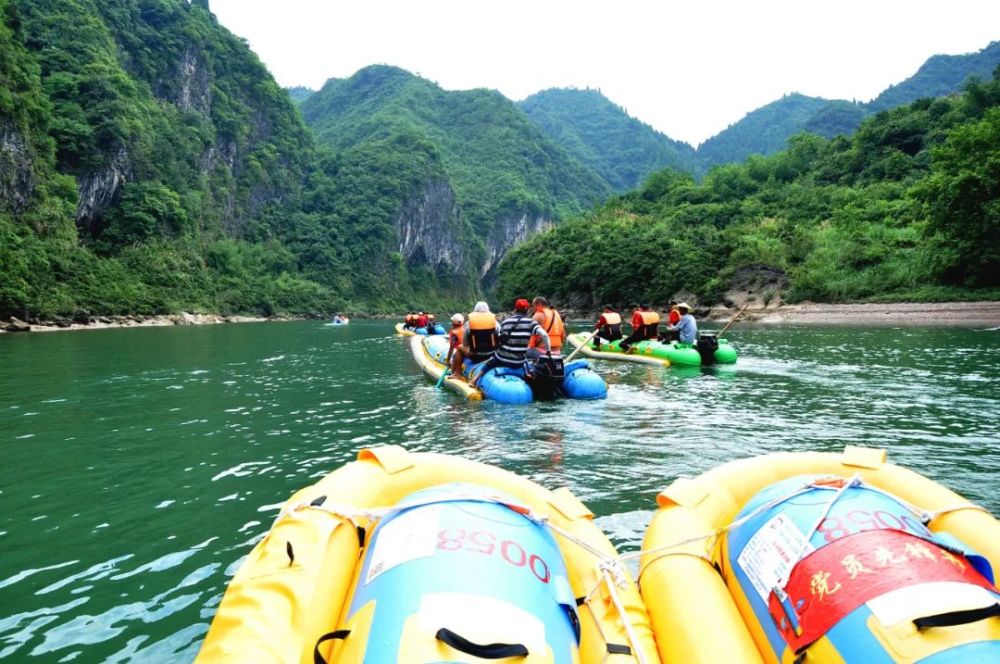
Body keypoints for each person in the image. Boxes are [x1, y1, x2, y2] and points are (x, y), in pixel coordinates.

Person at [472, 299, 550, 386]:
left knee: (490, 363)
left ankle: (474, 380)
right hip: (519, 362)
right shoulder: (531, 323)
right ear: (527, 310)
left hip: (502, 359)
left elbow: (500, 338)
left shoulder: (506, 322)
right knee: (529, 360)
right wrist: (548, 352)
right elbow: (545, 335)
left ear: (515, 309)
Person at [456, 302, 499, 380]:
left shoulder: (469, 324)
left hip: (475, 357)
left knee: (459, 347)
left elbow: (465, 344)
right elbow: (500, 339)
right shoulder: (495, 323)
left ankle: (456, 374)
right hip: (492, 356)